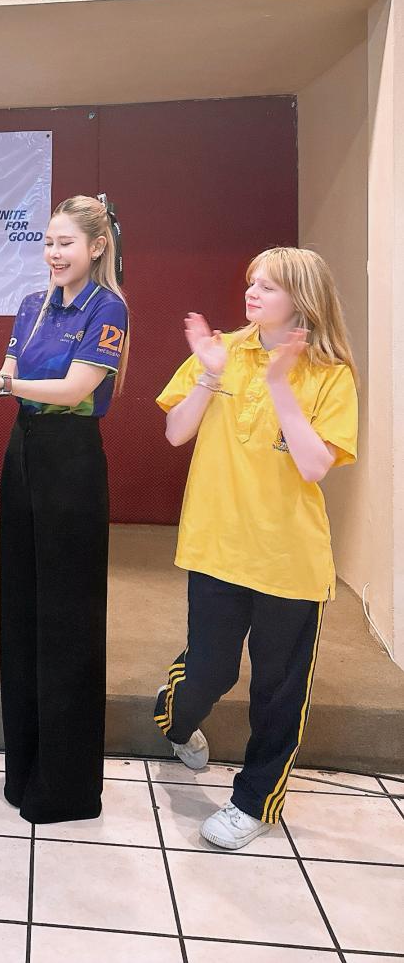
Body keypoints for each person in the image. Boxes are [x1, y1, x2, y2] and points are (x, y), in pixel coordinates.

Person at [154, 246, 358, 850]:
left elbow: (315, 465)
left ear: (303, 298)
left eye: (267, 286)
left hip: (289, 560)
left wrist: (279, 386)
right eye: (252, 282)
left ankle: (254, 801)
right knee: (208, 671)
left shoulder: (330, 373)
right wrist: (209, 374)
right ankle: (176, 719)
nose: (252, 293)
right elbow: (175, 432)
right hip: (216, 545)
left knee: (278, 689)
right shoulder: (223, 350)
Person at [0, 195, 129, 823]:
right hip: (23, 451)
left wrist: (2, 384)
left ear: (96, 247)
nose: (54, 253)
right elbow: (9, 371)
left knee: (68, 616)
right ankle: (24, 768)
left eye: (66, 243)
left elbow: (77, 389)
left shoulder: (107, 307)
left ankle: (68, 786)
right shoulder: (32, 304)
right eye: (49, 242)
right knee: (22, 607)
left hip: (72, 460)